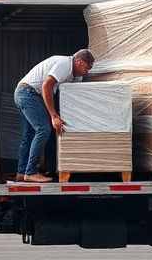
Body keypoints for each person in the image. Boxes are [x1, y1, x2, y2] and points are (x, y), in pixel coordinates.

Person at [12, 49, 95, 183]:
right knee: (43, 129)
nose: (88, 71)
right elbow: (46, 86)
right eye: (87, 67)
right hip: (28, 93)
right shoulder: (64, 64)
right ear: (79, 62)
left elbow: (73, 97)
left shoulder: (76, 76)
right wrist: (54, 116)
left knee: (29, 135)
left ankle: (22, 173)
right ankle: (31, 172)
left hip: (28, 94)